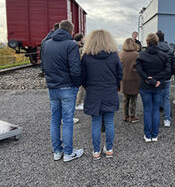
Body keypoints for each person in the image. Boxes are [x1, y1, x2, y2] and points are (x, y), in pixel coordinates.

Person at [42, 20, 83, 162]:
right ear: (71, 31)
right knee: (67, 121)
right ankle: (68, 153)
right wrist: (77, 85)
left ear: (59, 29)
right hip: (67, 87)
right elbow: (75, 69)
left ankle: (57, 151)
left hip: (52, 88)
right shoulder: (71, 45)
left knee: (54, 120)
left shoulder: (47, 44)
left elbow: (44, 66)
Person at [81, 30, 123, 160]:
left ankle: (96, 151)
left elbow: (83, 77)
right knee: (109, 122)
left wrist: (88, 86)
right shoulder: (114, 55)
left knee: (95, 122)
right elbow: (119, 74)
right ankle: (109, 149)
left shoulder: (86, 57)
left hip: (93, 92)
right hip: (110, 91)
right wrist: (114, 85)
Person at [136, 33, 170, 142]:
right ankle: (154, 135)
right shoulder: (164, 55)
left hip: (145, 85)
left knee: (147, 110)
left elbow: (139, 70)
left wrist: (149, 79)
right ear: (157, 42)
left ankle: (148, 134)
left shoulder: (141, 55)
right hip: (158, 86)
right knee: (155, 109)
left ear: (147, 42)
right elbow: (168, 70)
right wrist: (157, 80)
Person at [119, 38, 140, 123]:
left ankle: (125, 116)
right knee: (133, 99)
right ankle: (132, 116)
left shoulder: (121, 54)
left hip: (124, 79)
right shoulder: (137, 54)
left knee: (125, 99)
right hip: (134, 79)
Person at [156, 30, 174, 127]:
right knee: (166, 98)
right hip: (167, 76)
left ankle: (156, 119)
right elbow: (173, 63)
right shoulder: (170, 48)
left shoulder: (155, 49)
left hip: (157, 77)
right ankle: (167, 119)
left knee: (156, 97)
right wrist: (170, 73)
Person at [75, 33, 85, 111]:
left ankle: (79, 101)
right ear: (81, 39)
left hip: (77, 69)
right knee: (81, 88)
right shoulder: (78, 48)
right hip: (79, 69)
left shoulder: (75, 46)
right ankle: (78, 103)